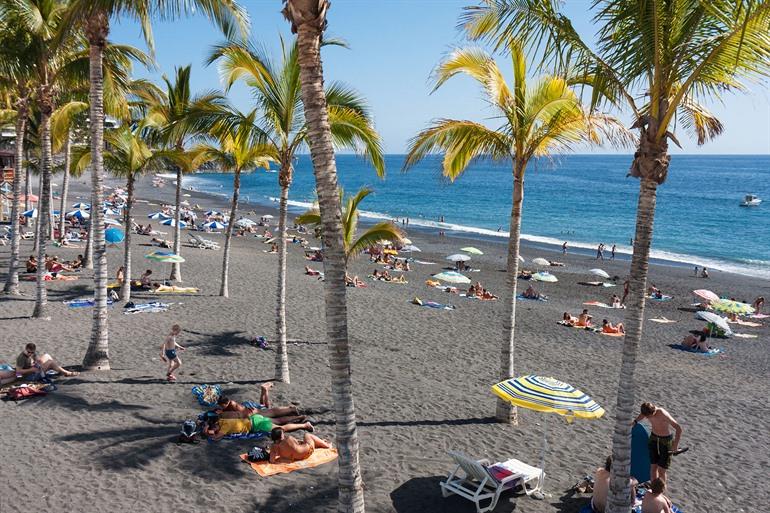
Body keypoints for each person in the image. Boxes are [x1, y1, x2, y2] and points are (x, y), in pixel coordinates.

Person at [634, 402, 684, 483]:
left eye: (648, 416)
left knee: (661, 470)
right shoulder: (647, 411)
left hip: (665, 441)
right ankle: (654, 489)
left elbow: (678, 428)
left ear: (653, 412)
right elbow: (642, 415)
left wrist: (675, 446)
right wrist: (635, 421)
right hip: (653, 439)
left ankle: (661, 491)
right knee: (653, 468)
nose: (647, 418)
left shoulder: (662, 413)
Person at [205, 413, 312, 441]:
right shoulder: (222, 421)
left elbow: (216, 437)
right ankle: (298, 417)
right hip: (255, 418)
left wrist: (206, 432)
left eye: (214, 429)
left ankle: (304, 425)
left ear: (216, 426)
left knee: (281, 428)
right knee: (278, 421)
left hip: (258, 424)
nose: (214, 431)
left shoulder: (224, 427)